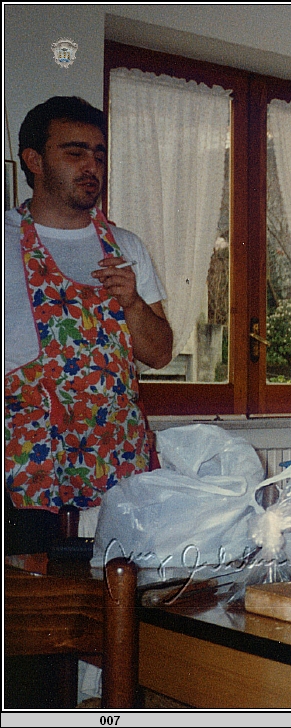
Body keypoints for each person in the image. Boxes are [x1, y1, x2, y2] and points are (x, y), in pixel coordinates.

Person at [4, 96, 172, 552]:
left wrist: (133, 303)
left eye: (98, 154)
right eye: (74, 152)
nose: (91, 165)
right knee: (31, 605)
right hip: (27, 464)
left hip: (115, 457)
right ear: (34, 161)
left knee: (112, 599)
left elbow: (159, 353)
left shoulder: (124, 244)